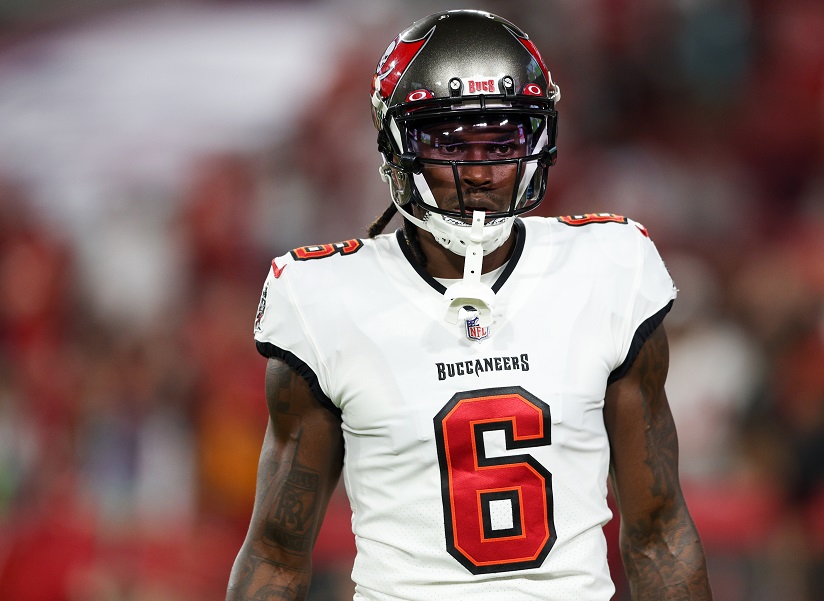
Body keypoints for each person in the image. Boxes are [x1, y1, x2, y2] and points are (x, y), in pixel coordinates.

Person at [227, 9, 712, 601]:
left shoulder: (608, 267)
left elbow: (658, 532)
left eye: (503, 139)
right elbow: (277, 553)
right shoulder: (323, 298)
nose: (479, 170)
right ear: (396, 144)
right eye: (449, 139)